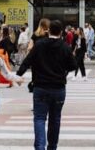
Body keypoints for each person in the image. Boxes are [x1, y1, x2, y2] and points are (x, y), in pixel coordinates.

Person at [17, 20, 75, 150]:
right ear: (61, 32)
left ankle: (39, 147)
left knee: (39, 118)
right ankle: (52, 147)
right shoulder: (64, 46)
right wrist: (63, 71)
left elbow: (27, 61)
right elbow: (73, 65)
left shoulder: (39, 45)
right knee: (55, 119)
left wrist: (18, 74)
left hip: (40, 87)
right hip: (58, 88)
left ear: (48, 31)